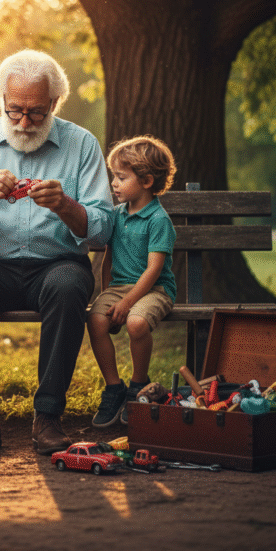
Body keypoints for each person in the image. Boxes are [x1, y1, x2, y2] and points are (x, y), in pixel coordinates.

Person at [0, 49, 114, 456]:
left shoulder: (81, 144)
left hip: (58, 264)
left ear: (55, 103)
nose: (22, 121)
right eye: (14, 109)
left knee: (70, 285)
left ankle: (48, 416)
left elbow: (103, 227)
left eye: (36, 112)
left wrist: (67, 205)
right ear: (0, 98)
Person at [87, 135, 177, 428]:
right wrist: (106, 296)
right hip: (119, 288)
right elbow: (108, 259)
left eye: (121, 177)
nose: (113, 183)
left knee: (136, 323)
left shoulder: (158, 220)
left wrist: (127, 303)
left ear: (147, 181)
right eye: (114, 176)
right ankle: (114, 388)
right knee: (96, 320)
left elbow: (153, 270)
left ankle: (138, 386)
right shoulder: (116, 215)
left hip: (155, 289)